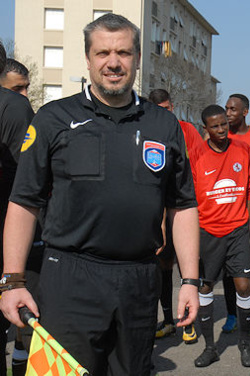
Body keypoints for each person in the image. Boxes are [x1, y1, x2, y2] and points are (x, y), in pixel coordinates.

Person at [0, 14, 200, 375]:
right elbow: (24, 203)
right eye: (103, 52)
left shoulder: (164, 124)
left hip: (139, 279)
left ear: (138, 58)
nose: (113, 62)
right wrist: (12, 281)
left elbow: (182, 206)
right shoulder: (53, 118)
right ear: (88, 59)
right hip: (69, 277)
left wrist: (189, 280)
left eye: (123, 52)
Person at [191, 104, 250, 368]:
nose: (220, 130)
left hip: (239, 230)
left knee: (243, 286)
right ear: (205, 129)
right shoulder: (195, 155)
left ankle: (246, 342)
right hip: (207, 232)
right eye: (214, 126)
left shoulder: (243, 150)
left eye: (224, 124)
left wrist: (248, 228)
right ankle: (210, 348)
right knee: (205, 288)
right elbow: (189, 201)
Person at [148, 88, 206, 343]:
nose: (166, 113)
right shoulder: (146, 128)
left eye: (168, 108)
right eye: (160, 109)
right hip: (157, 208)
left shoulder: (187, 130)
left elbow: (201, 165)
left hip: (184, 207)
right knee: (163, 264)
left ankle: (188, 321)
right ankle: (169, 319)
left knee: (187, 263)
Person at [0, 42, 34, 376]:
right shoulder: (14, 109)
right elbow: (31, 180)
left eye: (26, 88)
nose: (23, 95)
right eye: (16, 89)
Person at [221, 93, 250, 333]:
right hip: (225, 215)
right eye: (226, 108)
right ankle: (231, 313)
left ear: (245, 112)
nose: (228, 113)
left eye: (232, 109)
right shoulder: (220, 137)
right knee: (229, 270)